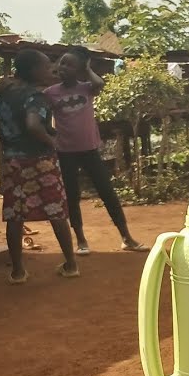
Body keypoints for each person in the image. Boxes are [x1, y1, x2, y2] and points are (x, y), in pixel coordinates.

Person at [46, 50, 146, 254]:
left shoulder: (86, 88)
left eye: (70, 65)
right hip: (66, 152)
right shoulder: (50, 93)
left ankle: (126, 237)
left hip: (89, 150)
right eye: (62, 63)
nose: (63, 67)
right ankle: (81, 240)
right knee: (72, 197)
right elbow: (43, 118)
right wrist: (53, 136)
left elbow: (100, 84)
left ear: (80, 70)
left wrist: (88, 69)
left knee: (107, 193)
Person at [0, 49, 80, 283]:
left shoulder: (4, 94)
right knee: (56, 210)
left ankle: (18, 271)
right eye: (45, 66)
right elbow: (33, 125)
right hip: (40, 160)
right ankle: (70, 264)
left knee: (14, 215)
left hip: (13, 162)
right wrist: (52, 141)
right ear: (32, 70)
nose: (50, 69)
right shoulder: (36, 96)